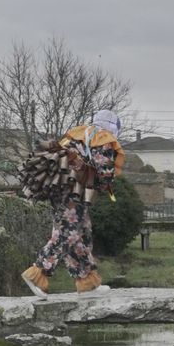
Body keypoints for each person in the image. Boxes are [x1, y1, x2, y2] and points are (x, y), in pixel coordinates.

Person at [19, 109, 124, 297]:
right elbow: (105, 172)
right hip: (75, 192)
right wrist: (104, 184)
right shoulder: (103, 138)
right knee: (67, 232)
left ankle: (87, 281)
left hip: (59, 188)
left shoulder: (77, 134)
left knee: (81, 232)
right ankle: (37, 273)